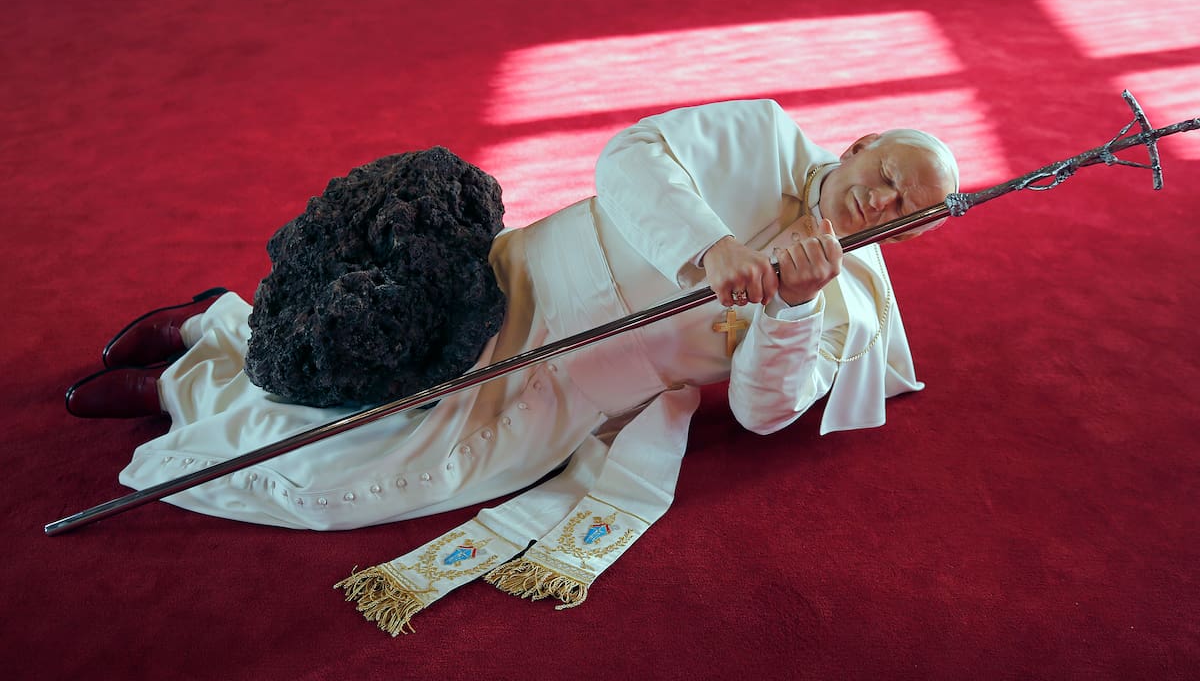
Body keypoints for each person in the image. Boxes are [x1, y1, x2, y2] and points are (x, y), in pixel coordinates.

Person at [64, 98, 958, 634]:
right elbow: (631, 156)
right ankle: (200, 339)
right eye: (886, 173)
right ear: (860, 146)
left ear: (911, 236)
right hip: (509, 285)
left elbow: (767, 413)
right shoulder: (761, 133)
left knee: (355, 479)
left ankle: (190, 368)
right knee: (357, 355)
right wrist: (710, 248)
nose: (879, 202)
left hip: (569, 387)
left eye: (903, 212)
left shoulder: (847, 307)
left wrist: (793, 308)